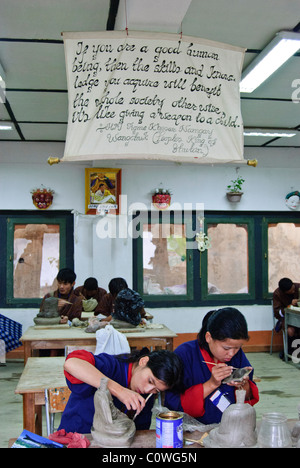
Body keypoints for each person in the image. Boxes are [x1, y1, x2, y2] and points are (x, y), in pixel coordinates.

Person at [164, 308, 259, 425]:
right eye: (226, 348)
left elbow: (247, 398)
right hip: (190, 429)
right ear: (208, 337)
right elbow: (173, 404)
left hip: (230, 426)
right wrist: (212, 384)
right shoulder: (185, 354)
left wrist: (244, 385)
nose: (232, 353)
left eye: (237, 347)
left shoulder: (237, 355)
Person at [59, 348, 184, 433]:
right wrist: (119, 390)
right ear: (143, 361)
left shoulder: (146, 396)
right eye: (150, 381)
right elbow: (72, 363)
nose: (147, 390)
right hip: (77, 435)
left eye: (156, 390)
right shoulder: (111, 366)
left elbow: (139, 432)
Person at [273, 277, 300, 354]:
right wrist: (289, 306)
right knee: (290, 331)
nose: (294, 291)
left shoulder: (298, 287)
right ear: (284, 292)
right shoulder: (277, 294)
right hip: (286, 318)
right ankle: (290, 351)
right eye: (291, 291)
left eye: (293, 288)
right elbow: (277, 313)